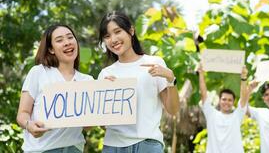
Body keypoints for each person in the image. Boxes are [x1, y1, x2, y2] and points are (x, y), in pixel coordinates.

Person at [97, 11, 180, 153]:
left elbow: (173, 110)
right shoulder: (106, 74)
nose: (113, 39)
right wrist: (110, 98)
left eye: (118, 32)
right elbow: (102, 124)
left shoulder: (154, 63)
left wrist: (170, 78)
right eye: (107, 36)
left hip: (147, 144)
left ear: (131, 30)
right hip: (113, 146)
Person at [16, 24, 93, 152]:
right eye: (60, 40)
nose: (67, 42)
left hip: (74, 149)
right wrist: (29, 125)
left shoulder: (87, 80)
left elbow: (88, 126)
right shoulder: (39, 72)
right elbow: (22, 114)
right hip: (41, 150)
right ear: (51, 49)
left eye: (70, 37)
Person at [198, 64, 250, 153]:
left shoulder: (237, 116)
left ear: (233, 102)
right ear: (219, 101)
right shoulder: (211, 114)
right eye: (224, 99)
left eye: (230, 100)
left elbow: (243, 98)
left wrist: (244, 77)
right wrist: (201, 74)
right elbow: (203, 94)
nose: (226, 102)